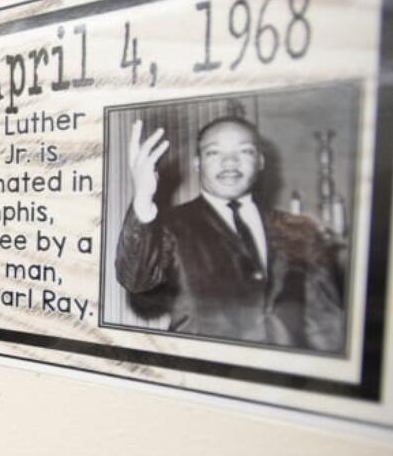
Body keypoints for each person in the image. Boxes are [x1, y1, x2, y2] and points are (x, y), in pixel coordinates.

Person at [116, 114, 344, 352]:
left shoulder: (302, 230)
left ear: (260, 161)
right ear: (197, 163)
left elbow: (326, 324)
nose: (230, 163)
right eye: (214, 153)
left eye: (244, 151)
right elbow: (134, 278)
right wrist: (142, 199)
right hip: (202, 375)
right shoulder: (171, 225)